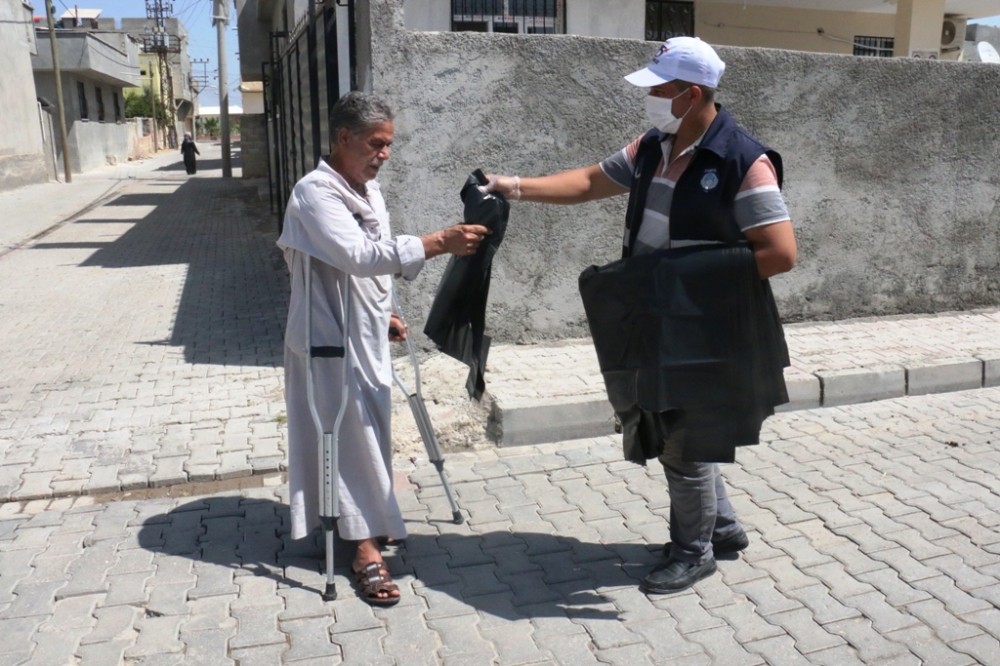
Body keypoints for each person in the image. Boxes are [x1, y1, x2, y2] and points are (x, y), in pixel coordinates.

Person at [483, 37, 797, 594]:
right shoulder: (655, 145)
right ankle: (720, 528)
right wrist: (512, 186)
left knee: (681, 437)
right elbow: (587, 182)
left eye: (658, 88)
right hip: (657, 316)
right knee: (676, 423)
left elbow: (778, 253)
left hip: (705, 324)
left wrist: (683, 281)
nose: (649, 97)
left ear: (692, 93)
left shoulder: (743, 162)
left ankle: (693, 550)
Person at [277, 91, 489, 606]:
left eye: (389, 145)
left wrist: (387, 311)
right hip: (327, 339)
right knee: (349, 439)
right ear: (343, 138)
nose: (384, 154)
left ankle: (373, 516)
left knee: (371, 433)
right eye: (377, 143)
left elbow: (376, 266)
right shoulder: (315, 193)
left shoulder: (369, 191)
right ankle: (363, 548)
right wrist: (437, 242)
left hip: (365, 332)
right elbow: (355, 255)